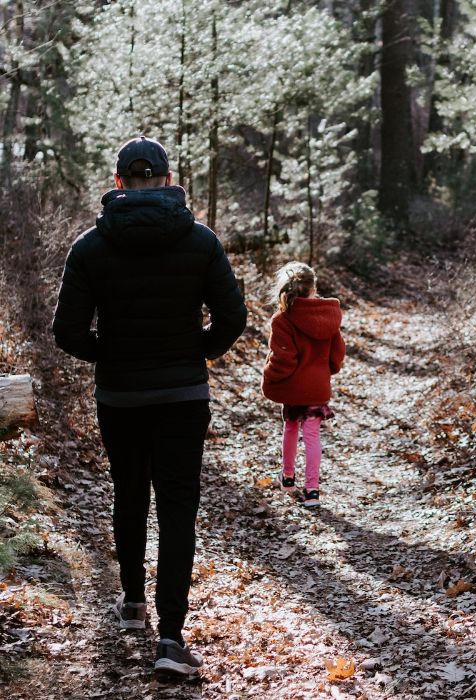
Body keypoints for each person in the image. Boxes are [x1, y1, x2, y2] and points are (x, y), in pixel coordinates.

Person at [52, 136, 247, 677]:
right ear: (166, 180)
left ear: (119, 182)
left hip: (121, 394)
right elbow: (233, 318)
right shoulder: (200, 241)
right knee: (178, 508)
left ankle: (133, 603)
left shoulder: (90, 245)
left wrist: (109, 356)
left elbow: (66, 330)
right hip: (183, 395)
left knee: (129, 492)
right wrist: (196, 353)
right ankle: (170, 638)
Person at [261, 261, 345, 508]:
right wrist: (324, 371)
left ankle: (287, 478)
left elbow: (283, 360)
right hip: (317, 387)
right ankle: (313, 491)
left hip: (293, 388)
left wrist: (270, 376)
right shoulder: (328, 316)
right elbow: (337, 354)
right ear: (313, 287)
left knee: (290, 428)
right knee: (312, 436)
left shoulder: (283, 319)